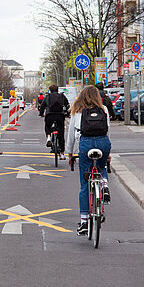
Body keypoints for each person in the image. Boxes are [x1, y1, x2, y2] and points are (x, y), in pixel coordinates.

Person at [65, 85, 111, 236]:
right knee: (102, 166)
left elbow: (71, 133)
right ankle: (104, 185)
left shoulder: (77, 110)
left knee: (85, 185)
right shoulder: (103, 109)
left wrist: (70, 152)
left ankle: (84, 222)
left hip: (85, 145)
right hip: (103, 143)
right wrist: (108, 152)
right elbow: (107, 129)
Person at [39, 85, 69, 158]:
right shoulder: (62, 96)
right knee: (61, 134)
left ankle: (48, 137)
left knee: (47, 126)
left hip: (50, 115)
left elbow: (42, 106)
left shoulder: (47, 96)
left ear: (50, 90)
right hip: (60, 115)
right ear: (57, 90)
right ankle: (62, 153)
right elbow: (67, 105)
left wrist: (41, 113)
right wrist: (66, 113)